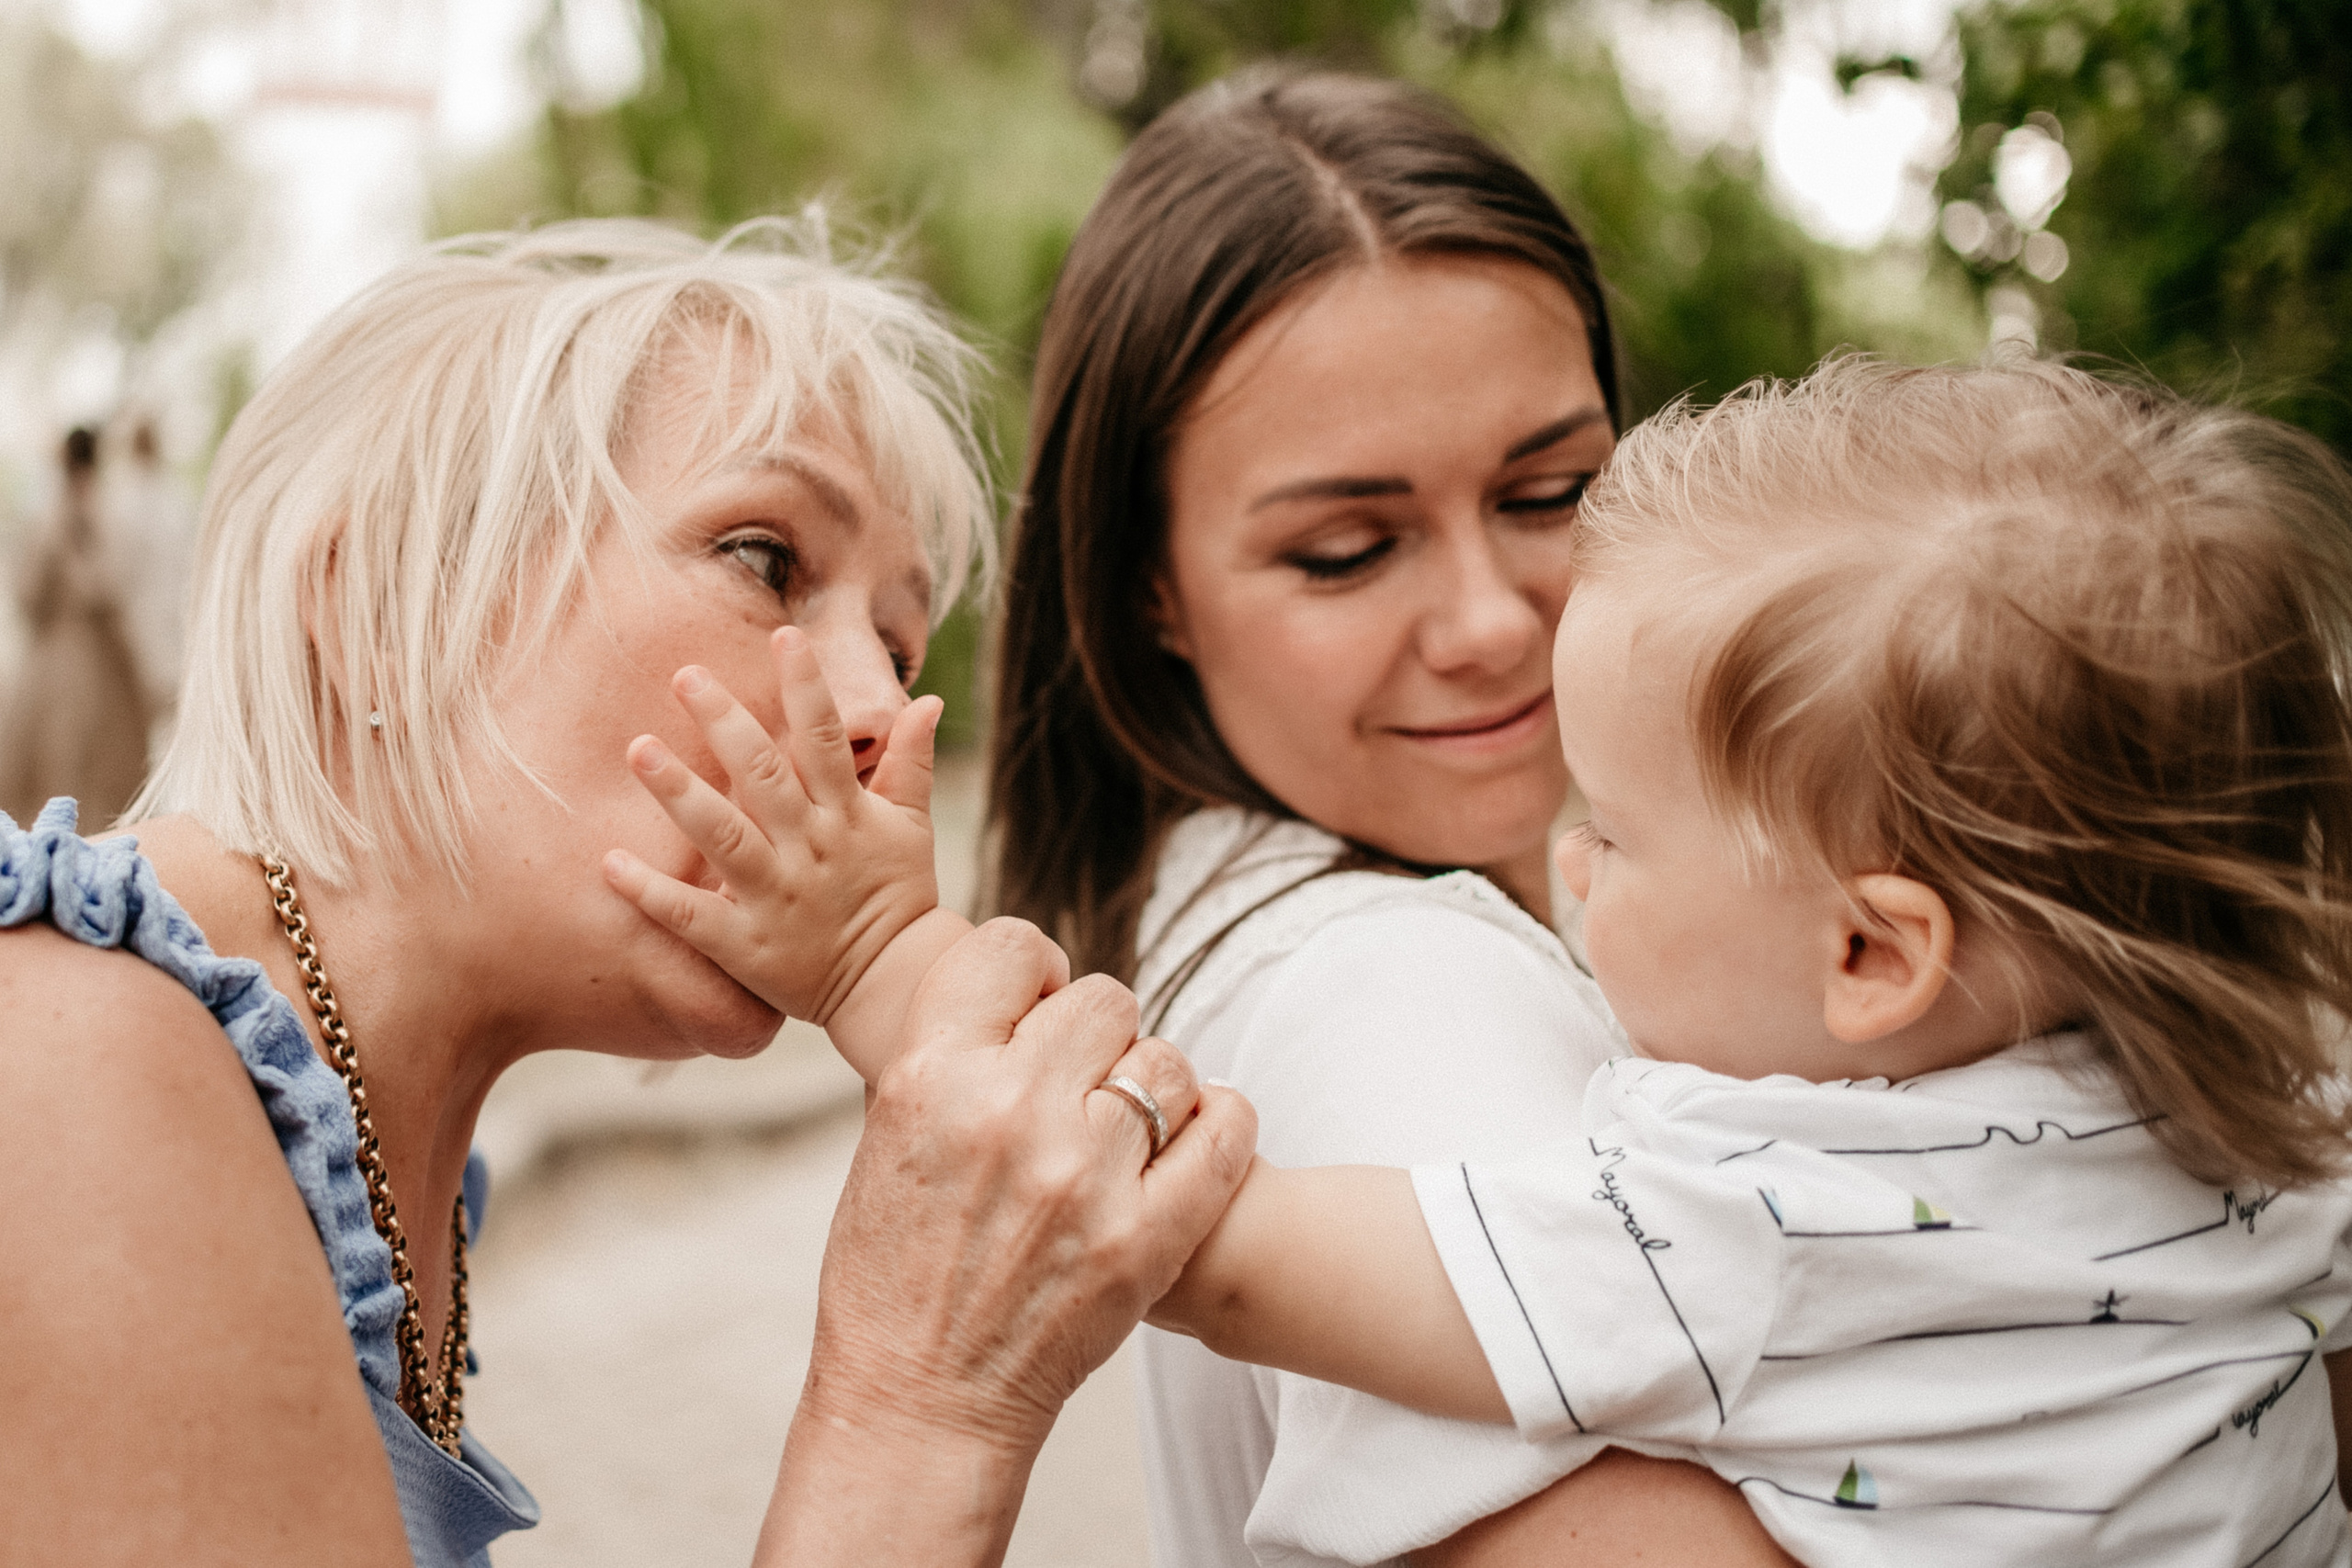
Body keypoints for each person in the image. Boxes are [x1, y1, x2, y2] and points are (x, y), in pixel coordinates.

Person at [615, 359, 2352, 1564]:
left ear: (1871, 952)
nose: (1565, 855)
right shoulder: (2267, 1134)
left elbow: (1191, 1230)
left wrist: (872, 952)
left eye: (1618, 827)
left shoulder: (1737, 1222)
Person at [0, 216, 1252, 1568]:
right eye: (766, 559)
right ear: (373, 604)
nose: (885, 708)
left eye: (899, 641)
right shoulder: (72, 1054)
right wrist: (915, 1403)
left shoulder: (363, 1149)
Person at [1000, 67, 1794, 1563]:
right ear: (1147, 589)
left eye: (1553, 490)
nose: (1492, 620)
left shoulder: (1304, 895)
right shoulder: (1395, 987)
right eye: (1350, 550)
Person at [1, 424, 155, 825]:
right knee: (70, 758)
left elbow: (33, 593)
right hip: (78, 652)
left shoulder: (80, 515)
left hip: (75, 653)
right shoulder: (78, 515)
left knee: (77, 759)